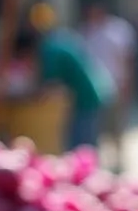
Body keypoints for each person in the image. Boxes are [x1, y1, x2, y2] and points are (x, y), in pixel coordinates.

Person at [14, 17, 114, 151]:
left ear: (26, 50)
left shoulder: (48, 53)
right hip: (88, 94)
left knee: (82, 147)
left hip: (85, 98)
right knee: (83, 143)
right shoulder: (51, 45)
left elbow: (48, 87)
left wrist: (27, 96)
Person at [82, 1, 136, 163]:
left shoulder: (118, 29)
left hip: (117, 83)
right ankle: (99, 159)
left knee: (117, 124)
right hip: (95, 86)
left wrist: (127, 83)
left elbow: (128, 58)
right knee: (97, 124)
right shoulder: (86, 30)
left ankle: (119, 157)